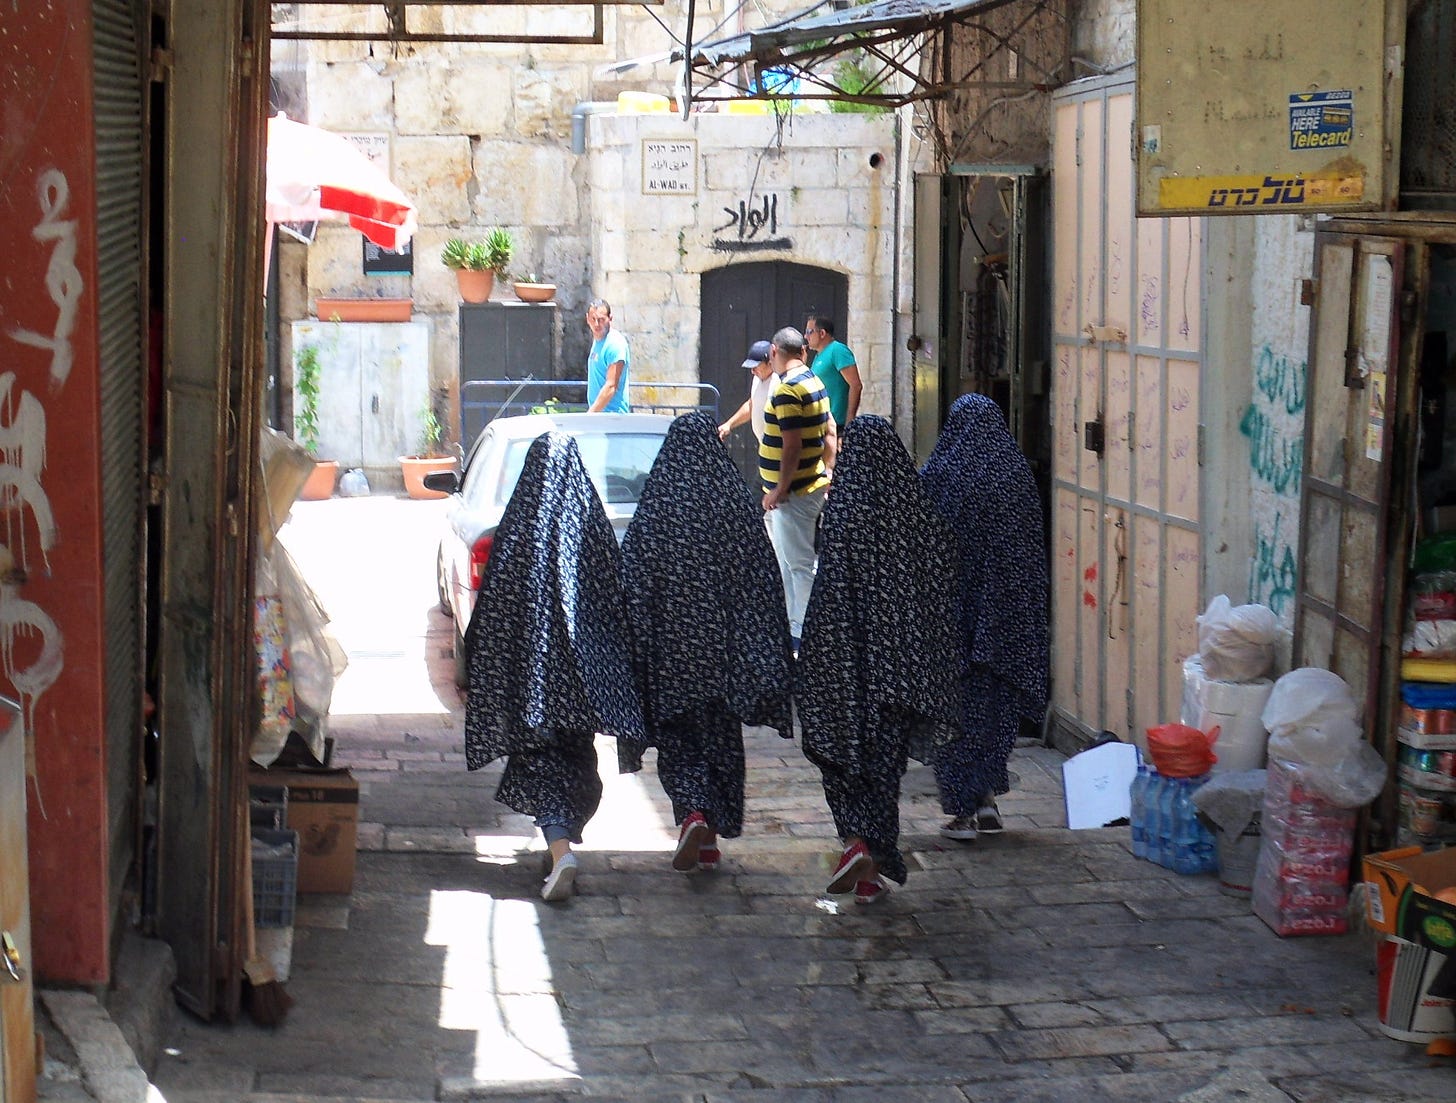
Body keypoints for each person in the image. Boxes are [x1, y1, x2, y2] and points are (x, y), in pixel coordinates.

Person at [462, 431, 645, 902]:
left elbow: (493, 607)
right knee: (576, 757)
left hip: (533, 680)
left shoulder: (519, 528)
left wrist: (480, 663)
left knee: (539, 760)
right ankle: (560, 843)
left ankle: (559, 847)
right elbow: (615, 602)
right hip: (581, 680)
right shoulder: (592, 527)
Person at [797, 415, 961, 904]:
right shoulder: (918, 514)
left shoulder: (844, 511)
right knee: (883, 771)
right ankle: (868, 873)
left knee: (843, 759)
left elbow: (827, 591)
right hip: (900, 671)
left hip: (846, 668)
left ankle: (854, 844)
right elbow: (942, 586)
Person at [620, 412, 794, 874]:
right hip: (724, 656)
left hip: (671, 655)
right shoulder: (735, 501)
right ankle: (710, 835)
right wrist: (762, 644)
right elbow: (762, 576)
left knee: (679, 739)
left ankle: (693, 812)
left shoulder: (658, 504)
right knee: (720, 739)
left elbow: (633, 579)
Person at [920, 394, 1048, 841]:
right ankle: (987, 797)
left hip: (954, 618)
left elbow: (923, 544)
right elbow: (1032, 549)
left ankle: (964, 812)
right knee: (995, 712)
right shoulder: (1016, 475)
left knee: (955, 715)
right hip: (1006, 619)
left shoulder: (941, 475)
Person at [758, 327, 831, 649]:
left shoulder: (787, 390)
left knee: (799, 564)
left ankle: (805, 634)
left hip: (795, 492)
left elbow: (792, 445)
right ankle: (791, 628)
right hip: (810, 485)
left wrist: (780, 489)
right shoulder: (815, 381)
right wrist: (828, 471)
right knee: (789, 562)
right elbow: (829, 431)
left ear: (774, 351)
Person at [805, 315, 862, 430]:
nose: (805, 336)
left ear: (822, 333)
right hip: (821, 424)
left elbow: (856, 385)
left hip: (837, 425)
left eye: (809, 332)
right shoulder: (819, 356)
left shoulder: (838, 350)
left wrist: (849, 421)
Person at [717, 339, 775, 444]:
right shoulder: (757, 378)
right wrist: (729, 424)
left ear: (770, 363)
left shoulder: (781, 382)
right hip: (764, 447)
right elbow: (752, 404)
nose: (752, 371)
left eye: (756, 366)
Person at [585, 298, 630, 413]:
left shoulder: (615, 344)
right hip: (600, 416)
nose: (596, 324)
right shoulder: (598, 341)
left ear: (610, 319)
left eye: (601, 320)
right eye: (593, 319)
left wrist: (590, 415)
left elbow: (611, 386)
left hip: (612, 418)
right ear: (587, 319)